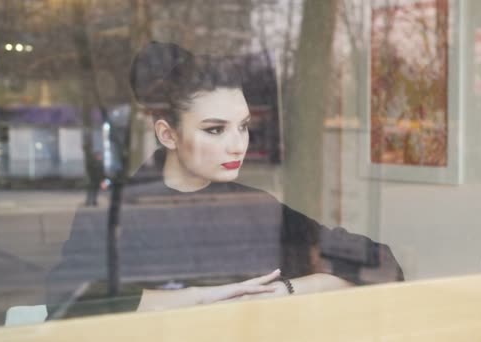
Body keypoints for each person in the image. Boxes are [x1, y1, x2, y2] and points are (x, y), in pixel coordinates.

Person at [46, 42, 403, 317]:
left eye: (244, 126)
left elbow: (380, 263)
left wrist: (285, 291)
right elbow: (68, 302)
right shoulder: (116, 213)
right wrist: (203, 297)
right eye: (215, 130)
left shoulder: (255, 208)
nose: (238, 145)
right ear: (167, 134)